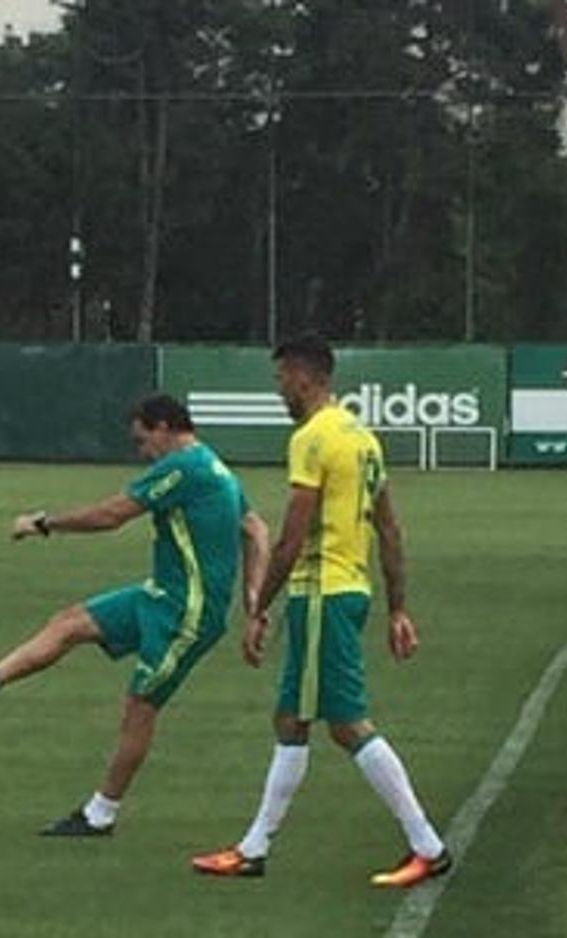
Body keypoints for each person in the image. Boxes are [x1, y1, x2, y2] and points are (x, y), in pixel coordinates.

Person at [0, 395, 269, 836]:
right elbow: (256, 529)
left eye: (143, 441)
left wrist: (44, 523)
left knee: (140, 708)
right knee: (70, 621)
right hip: (159, 596)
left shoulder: (184, 468)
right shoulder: (213, 465)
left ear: (163, 427)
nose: (142, 452)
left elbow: (112, 515)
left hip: (187, 616)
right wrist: (255, 598)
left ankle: (101, 814)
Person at [190, 334, 451, 889]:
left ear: (304, 376)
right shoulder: (362, 438)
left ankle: (427, 844)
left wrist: (258, 607)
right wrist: (397, 605)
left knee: (348, 725)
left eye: (281, 378)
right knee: (291, 719)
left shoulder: (311, 439)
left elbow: (292, 535)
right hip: (348, 589)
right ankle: (253, 847)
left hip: (322, 591)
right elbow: (390, 527)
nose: (279, 388)